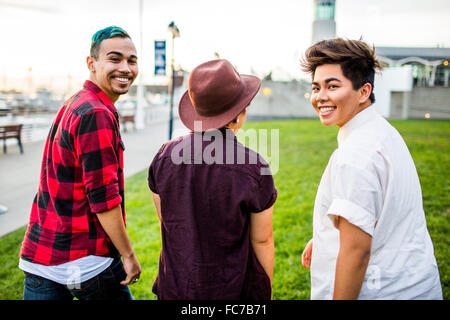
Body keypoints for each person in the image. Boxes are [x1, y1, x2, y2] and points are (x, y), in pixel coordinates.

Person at [300, 38, 443, 300]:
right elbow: (380, 211)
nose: (321, 97)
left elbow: (357, 253)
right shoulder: (381, 131)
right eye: (316, 87)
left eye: (333, 86)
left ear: (364, 92)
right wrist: (327, 238)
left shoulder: (355, 155)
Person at [19, 26, 141, 300]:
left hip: (40, 259)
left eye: (132, 60)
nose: (125, 68)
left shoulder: (76, 102)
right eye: (115, 58)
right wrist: (129, 255)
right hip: (85, 261)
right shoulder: (96, 113)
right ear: (92, 63)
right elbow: (103, 197)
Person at [147, 59, 277, 299]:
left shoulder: (164, 156)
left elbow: (168, 221)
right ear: (237, 117)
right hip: (233, 289)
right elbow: (262, 240)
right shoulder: (254, 168)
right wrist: (264, 293)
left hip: (176, 286)